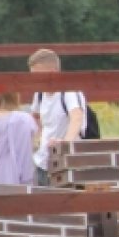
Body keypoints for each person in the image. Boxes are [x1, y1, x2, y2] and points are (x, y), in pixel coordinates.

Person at [28, 48, 86, 186]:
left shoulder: (69, 92)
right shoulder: (40, 94)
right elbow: (35, 115)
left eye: (38, 76)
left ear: (53, 73)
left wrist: (64, 144)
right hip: (42, 163)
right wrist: (39, 136)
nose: (35, 81)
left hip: (65, 164)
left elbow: (77, 117)